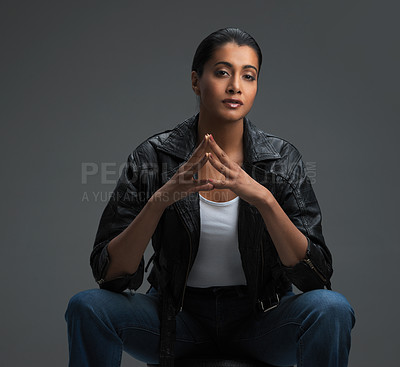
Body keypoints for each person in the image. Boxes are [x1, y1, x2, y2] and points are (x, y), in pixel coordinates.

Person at [65, 27, 356, 367]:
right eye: (222, 72)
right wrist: (161, 198)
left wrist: (264, 199)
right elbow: (111, 276)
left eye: (249, 76)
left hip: (261, 320)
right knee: (87, 307)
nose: (235, 86)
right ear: (195, 81)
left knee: (332, 308)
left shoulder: (281, 160)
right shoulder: (153, 157)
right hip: (176, 321)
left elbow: (316, 279)